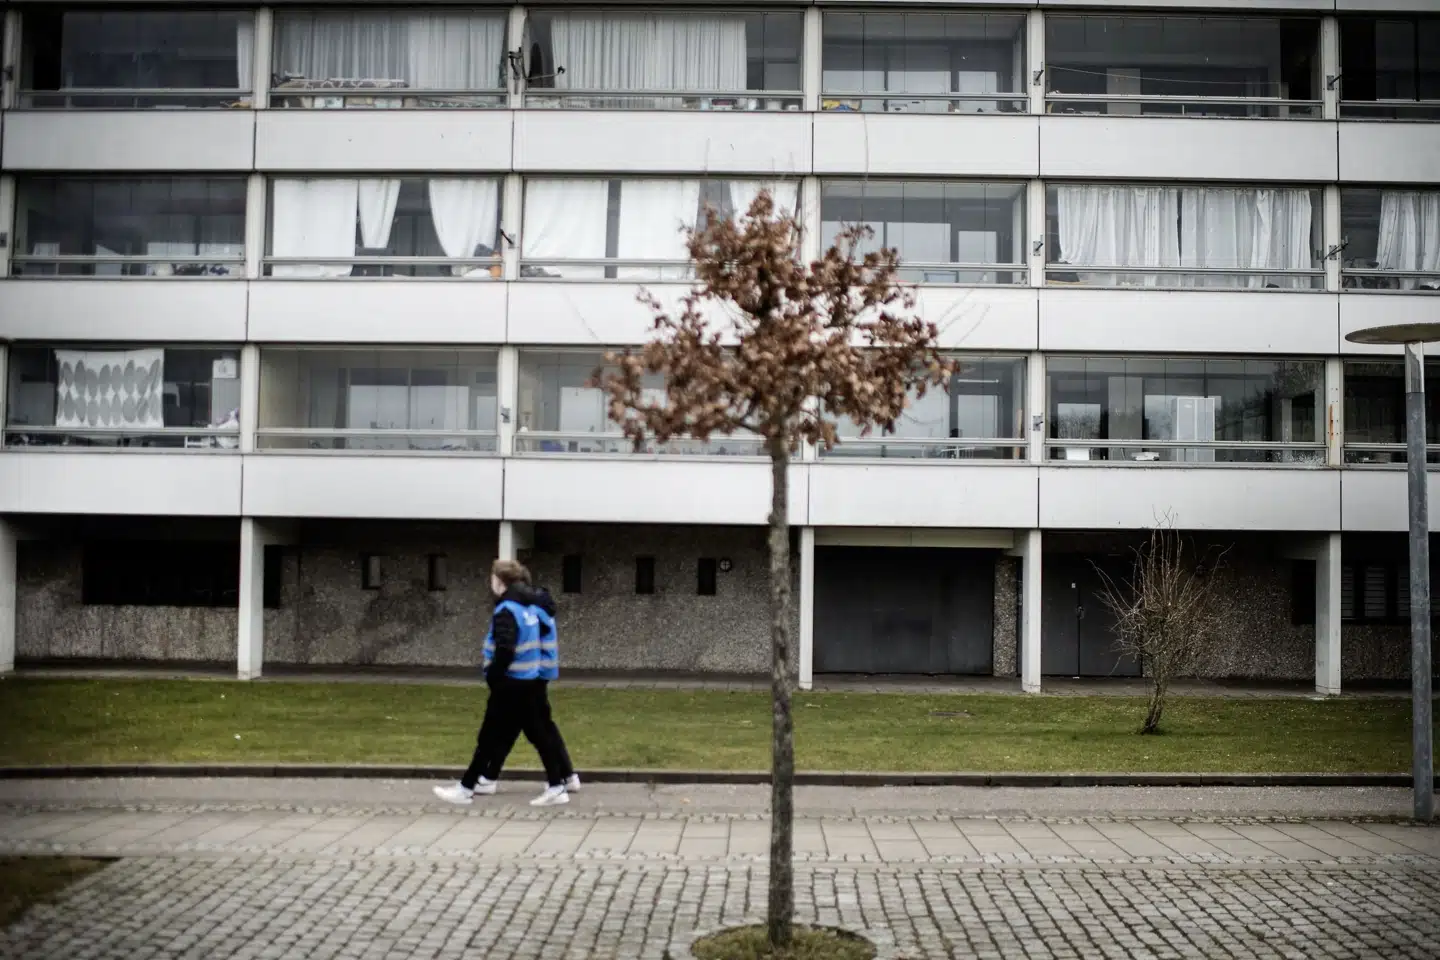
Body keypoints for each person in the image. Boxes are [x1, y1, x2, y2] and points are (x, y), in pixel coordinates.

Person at [433, 559, 579, 807]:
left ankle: (468, 787)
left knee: (492, 736)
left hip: (510, 684)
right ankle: (556, 783)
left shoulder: (507, 610)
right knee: (535, 734)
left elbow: (505, 649)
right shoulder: (528, 608)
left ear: (499, 581)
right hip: (527, 681)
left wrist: (493, 677)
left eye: (492, 577)